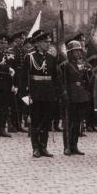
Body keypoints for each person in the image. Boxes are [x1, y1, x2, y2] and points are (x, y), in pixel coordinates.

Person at [19, 30, 62, 158]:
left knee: (46, 120)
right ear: (37, 43)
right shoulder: (30, 57)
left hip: (48, 94)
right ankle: (35, 148)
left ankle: (44, 146)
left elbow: (55, 78)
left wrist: (58, 93)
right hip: (35, 93)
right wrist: (24, 95)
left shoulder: (51, 58)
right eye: (45, 42)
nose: (48, 44)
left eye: (49, 42)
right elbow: (23, 78)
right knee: (36, 121)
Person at [61, 40, 91, 156]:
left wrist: (87, 72)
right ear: (70, 52)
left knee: (77, 122)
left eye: (79, 51)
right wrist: (64, 94)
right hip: (70, 96)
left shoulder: (83, 65)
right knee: (69, 122)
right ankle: (67, 146)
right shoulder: (65, 65)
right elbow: (63, 82)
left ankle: (75, 145)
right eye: (75, 51)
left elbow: (87, 80)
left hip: (81, 96)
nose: (78, 53)